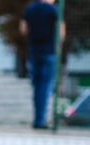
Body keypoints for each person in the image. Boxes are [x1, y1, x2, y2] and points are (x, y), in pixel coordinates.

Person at [20, 0, 65, 129]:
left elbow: (23, 28)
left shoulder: (31, 8)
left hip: (34, 50)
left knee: (37, 85)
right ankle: (41, 120)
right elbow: (61, 30)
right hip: (49, 51)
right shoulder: (54, 10)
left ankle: (37, 119)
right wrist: (57, 45)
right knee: (45, 86)